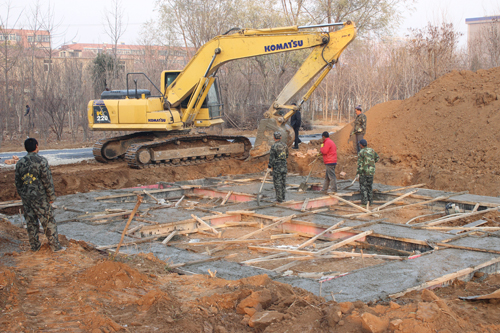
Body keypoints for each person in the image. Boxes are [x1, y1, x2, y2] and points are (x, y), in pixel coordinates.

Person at [15, 138, 63, 252]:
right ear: (36, 146)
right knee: (48, 221)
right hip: (40, 198)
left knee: (31, 223)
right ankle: (55, 247)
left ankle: (34, 247)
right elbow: (47, 180)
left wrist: (23, 195)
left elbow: (18, 182)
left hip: (27, 198)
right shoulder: (41, 161)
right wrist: (51, 197)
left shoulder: (20, 163)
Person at [357, 139, 379, 206]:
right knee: (369, 187)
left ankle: (364, 203)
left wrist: (358, 173)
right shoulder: (372, 150)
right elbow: (377, 158)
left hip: (364, 172)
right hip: (371, 172)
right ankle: (370, 202)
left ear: (361, 145)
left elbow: (360, 164)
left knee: (363, 187)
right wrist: (371, 163)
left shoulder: (361, 152)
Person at [268, 131, 289, 203]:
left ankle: (279, 199)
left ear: (274, 138)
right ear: (281, 137)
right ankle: (283, 198)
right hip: (284, 166)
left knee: (277, 183)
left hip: (277, 168)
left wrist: (270, 165)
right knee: (283, 182)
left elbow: (272, 158)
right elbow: (287, 156)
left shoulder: (274, 146)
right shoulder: (285, 145)